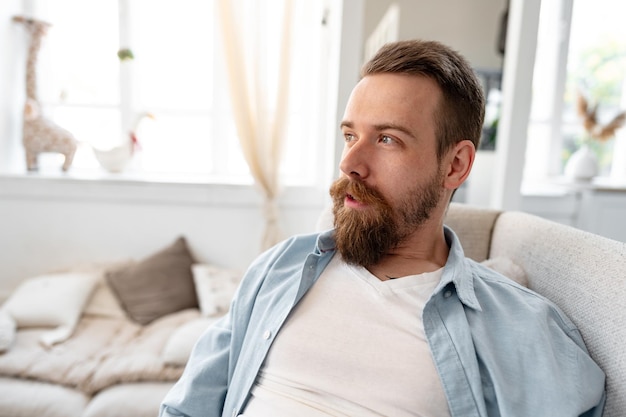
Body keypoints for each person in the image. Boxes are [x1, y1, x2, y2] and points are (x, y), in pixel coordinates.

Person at [160, 40, 605, 417]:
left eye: (387, 139)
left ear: (455, 165)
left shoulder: (522, 327)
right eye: (350, 136)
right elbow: (186, 407)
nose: (349, 163)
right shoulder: (281, 267)